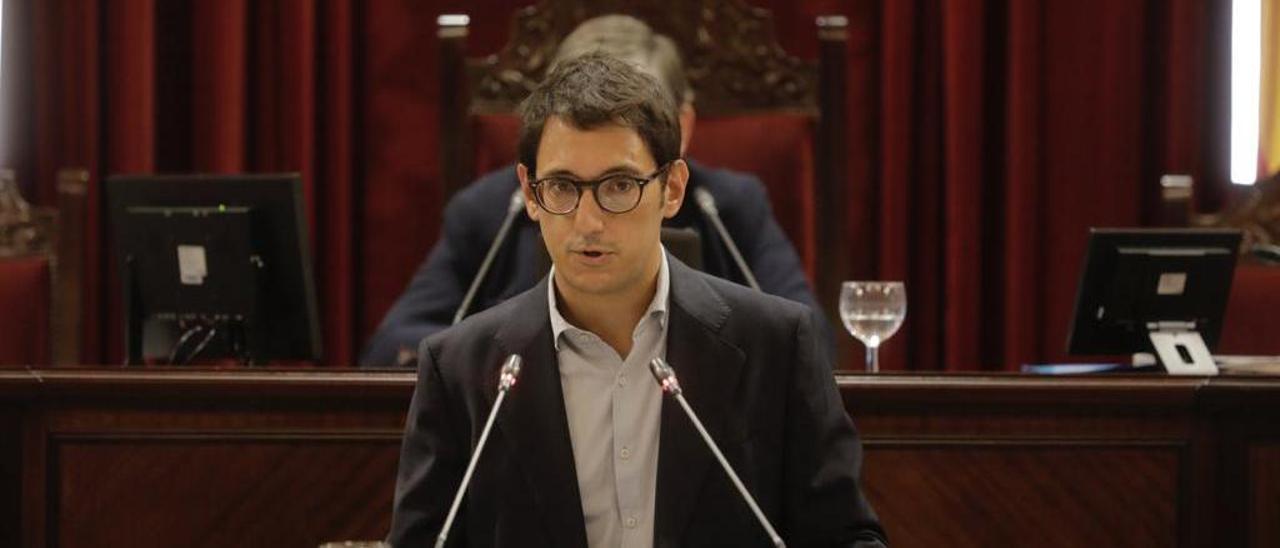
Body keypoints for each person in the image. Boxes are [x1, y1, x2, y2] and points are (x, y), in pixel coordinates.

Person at [387, 52, 886, 547]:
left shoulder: (774, 346)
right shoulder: (459, 370)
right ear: (530, 194)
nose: (588, 221)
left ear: (671, 188)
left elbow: (847, 537)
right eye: (562, 187)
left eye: (619, 185)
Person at [362, 15, 824, 367]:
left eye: (621, 184)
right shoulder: (490, 210)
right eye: (581, 116)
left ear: (681, 127)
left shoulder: (728, 206)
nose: (590, 217)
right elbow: (395, 344)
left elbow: (809, 338)